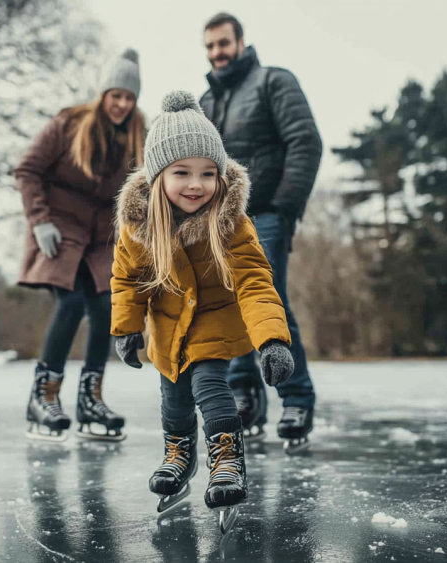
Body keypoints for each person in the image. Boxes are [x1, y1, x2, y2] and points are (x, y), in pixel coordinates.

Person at [111, 91, 294, 533]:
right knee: (173, 400)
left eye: (208, 173)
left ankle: (227, 455)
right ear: (157, 177)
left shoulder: (230, 222)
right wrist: (126, 329)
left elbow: (254, 281)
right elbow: (126, 281)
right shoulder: (138, 227)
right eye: (182, 173)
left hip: (215, 320)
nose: (196, 184)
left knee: (209, 383)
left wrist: (271, 339)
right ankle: (179, 452)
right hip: (167, 329)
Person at [200, 13, 323, 453]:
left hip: (268, 212)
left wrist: (285, 207)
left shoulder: (274, 82)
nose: (217, 52)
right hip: (220, 222)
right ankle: (245, 396)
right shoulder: (205, 103)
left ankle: (296, 399)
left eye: (223, 43)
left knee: (267, 297)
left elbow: (305, 142)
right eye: (210, 46)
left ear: (240, 42)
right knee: (225, 301)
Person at [15, 49, 145, 442]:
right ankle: (43, 396)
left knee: (107, 307)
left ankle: (91, 398)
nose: (122, 104)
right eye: (116, 95)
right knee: (70, 303)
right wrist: (39, 222)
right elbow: (27, 169)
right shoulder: (69, 123)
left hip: (102, 238)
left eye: (129, 97)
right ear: (103, 93)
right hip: (59, 227)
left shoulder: (139, 134)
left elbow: (142, 189)